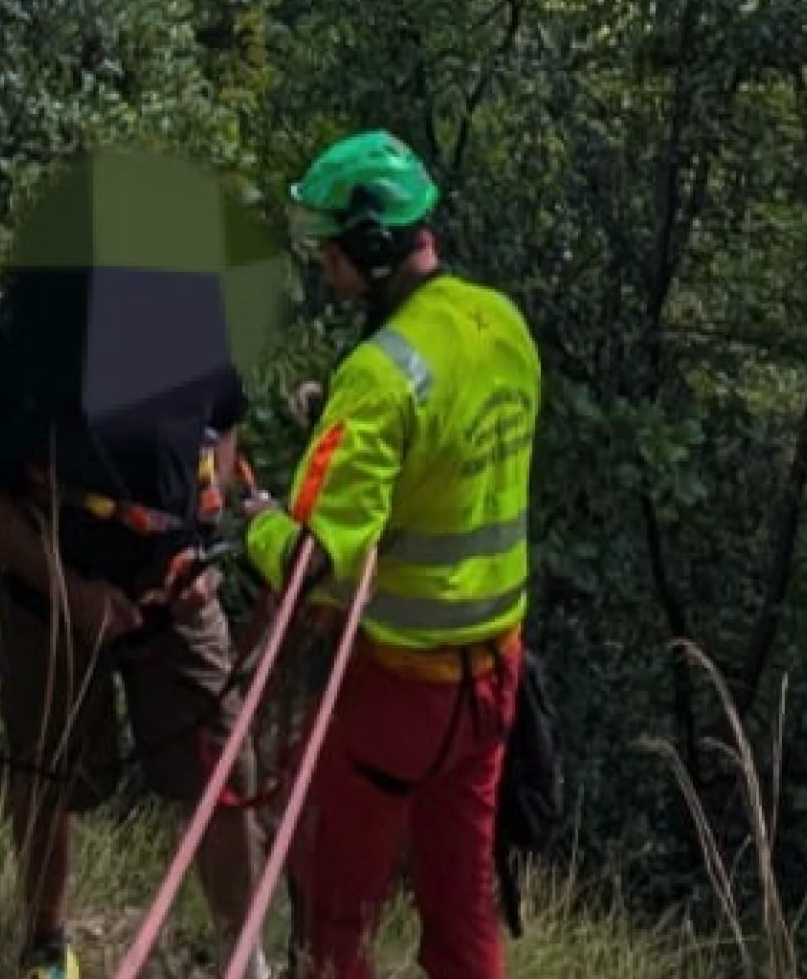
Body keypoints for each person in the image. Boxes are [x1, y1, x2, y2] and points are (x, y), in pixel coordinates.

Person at [241, 130, 542, 979]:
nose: (324, 267)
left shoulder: (380, 373)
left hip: (395, 687)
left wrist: (252, 520)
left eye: (331, 248)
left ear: (372, 246)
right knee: (461, 901)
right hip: (491, 679)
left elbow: (315, 561)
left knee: (336, 909)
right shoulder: (500, 323)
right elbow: (443, 459)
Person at [0, 270, 274, 979]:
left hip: (171, 586)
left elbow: (223, 422)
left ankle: (242, 958)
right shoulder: (24, 343)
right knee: (45, 762)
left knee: (224, 760)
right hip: (51, 593)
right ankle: (45, 944)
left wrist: (199, 542)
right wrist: (72, 595)